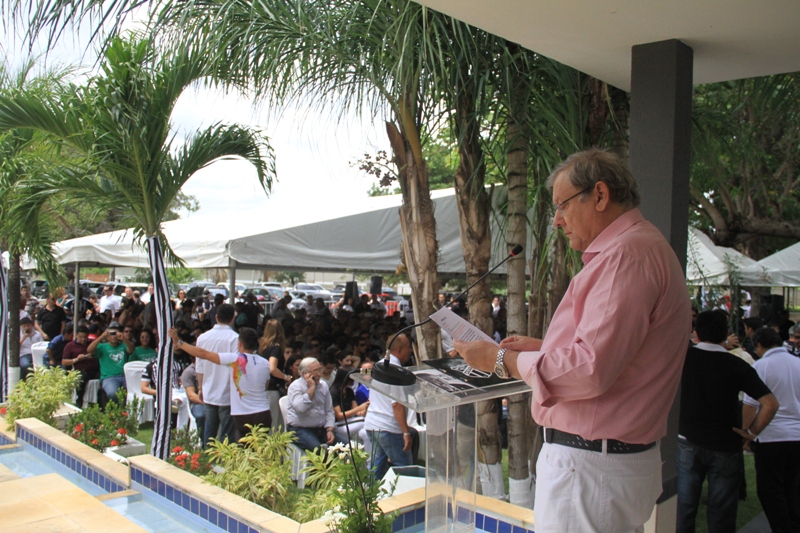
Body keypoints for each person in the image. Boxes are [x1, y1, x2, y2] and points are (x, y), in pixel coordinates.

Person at [455, 148, 692, 533]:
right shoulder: (640, 247)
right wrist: (545, 350)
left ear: (599, 195)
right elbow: (619, 355)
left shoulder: (624, 256)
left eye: (562, 207)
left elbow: (589, 369)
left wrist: (501, 361)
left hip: (591, 468)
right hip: (604, 466)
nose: (557, 222)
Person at [677, 310, 778, 533]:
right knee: (721, 511)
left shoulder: (681, 360)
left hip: (687, 440)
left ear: (697, 333)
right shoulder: (736, 364)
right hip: (726, 442)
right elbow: (770, 403)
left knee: (683, 507)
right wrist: (751, 432)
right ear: (726, 335)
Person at [740, 327, 800, 533]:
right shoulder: (798, 363)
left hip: (772, 436)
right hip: (797, 435)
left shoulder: (761, 366)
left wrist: (747, 432)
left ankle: (783, 528)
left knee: (770, 490)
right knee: (791, 486)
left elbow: (751, 405)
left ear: (759, 345)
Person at [170, 327, 272, 441]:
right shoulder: (265, 363)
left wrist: (179, 343)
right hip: (263, 412)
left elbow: (203, 354)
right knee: (261, 450)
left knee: (242, 451)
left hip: (243, 414)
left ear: (240, 344)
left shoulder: (235, 359)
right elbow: (265, 386)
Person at [364, 333, 414, 480]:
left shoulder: (379, 365)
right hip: (389, 427)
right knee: (405, 469)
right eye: (408, 348)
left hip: (372, 424)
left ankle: (370, 498)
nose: (410, 351)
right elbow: (397, 404)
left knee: (375, 469)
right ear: (399, 350)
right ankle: (406, 500)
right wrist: (406, 433)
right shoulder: (395, 372)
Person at [196, 303, 238, 447]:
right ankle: (224, 461)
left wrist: (200, 387)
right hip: (227, 391)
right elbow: (236, 366)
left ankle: (207, 459)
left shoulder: (202, 338)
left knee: (210, 431)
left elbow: (199, 366)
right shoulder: (234, 338)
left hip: (209, 389)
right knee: (226, 434)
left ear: (216, 317)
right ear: (233, 319)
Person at [285, 357, 336, 451]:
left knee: (346, 445)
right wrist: (311, 388)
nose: (319, 374)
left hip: (321, 429)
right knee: (318, 450)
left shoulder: (323, 385)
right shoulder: (295, 386)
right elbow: (301, 408)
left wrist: (330, 429)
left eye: (320, 369)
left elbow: (329, 410)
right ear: (305, 374)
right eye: (316, 371)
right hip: (299, 429)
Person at [87, 322, 134, 407]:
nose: (114, 336)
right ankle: (120, 409)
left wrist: (123, 338)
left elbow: (131, 350)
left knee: (131, 394)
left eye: (116, 333)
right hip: (109, 377)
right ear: (107, 336)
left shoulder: (123, 345)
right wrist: (101, 337)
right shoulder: (102, 347)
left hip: (124, 376)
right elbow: (89, 350)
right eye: (112, 334)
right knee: (113, 394)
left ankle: (123, 410)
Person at [260, 319, 292, 431]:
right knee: (274, 423)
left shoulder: (263, 348)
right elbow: (272, 368)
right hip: (273, 389)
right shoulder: (276, 349)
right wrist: (285, 377)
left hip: (264, 388)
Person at [61, 326, 100, 408]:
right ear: (76, 336)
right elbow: (64, 362)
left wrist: (93, 356)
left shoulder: (92, 343)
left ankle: (100, 404)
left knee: (104, 380)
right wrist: (77, 359)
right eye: (80, 337)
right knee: (81, 381)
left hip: (94, 369)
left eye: (85, 337)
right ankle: (79, 403)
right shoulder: (70, 345)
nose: (83, 339)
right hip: (80, 370)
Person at [329, 365, 369, 445]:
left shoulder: (349, 391)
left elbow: (358, 412)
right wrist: (359, 409)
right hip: (338, 425)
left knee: (365, 433)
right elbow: (339, 416)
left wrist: (365, 408)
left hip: (351, 422)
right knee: (367, 422)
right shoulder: (333, 392)